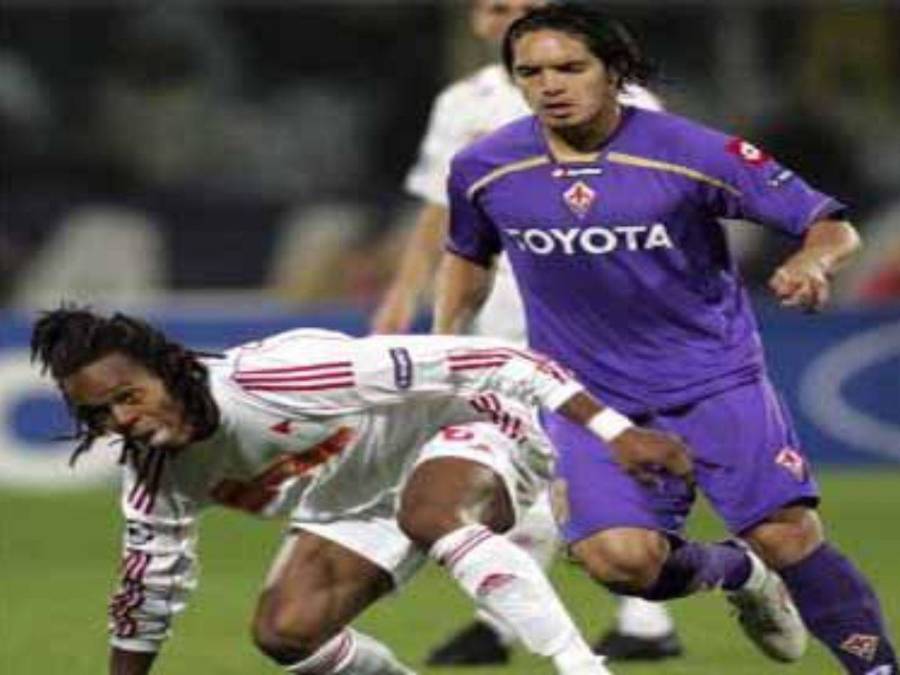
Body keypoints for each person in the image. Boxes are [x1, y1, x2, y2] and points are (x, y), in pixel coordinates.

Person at [434, 4, 898, 674]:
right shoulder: (485, 166)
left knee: (785, 535)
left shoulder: (691, 151)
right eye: (530, 72)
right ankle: (741, 573)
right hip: (587, 401)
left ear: (614, 70)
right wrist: (445, 348)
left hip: (713, 380)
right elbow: (467, 256)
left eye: (571, 67)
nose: (550, 85)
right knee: (620, 562)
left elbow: (829, 223)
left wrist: (811, 262)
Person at [33, 307, 704, 675]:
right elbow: (149, 587)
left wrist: (614, 431)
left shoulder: (281, 376)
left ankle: (581, 667)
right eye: (100, 414)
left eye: (128, 396)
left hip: (469, 423)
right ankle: (735, 571)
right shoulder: (157, 473)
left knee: (430, 513)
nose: (121, 420)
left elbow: (494, 360)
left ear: (170, 368)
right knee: (286, 632)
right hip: (360, 490)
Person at [371, 0, 681, 664]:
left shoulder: (626, 97)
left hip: (599, 306)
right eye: (498, 7)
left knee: (600, 447)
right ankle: (535, 621)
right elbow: (440, 207)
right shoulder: (463, 102)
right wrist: (405, 292)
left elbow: (669, 197)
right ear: (478, 21)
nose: (512, 17)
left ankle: (632, 615)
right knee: (519, 456)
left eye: (527, 6)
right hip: (499, 305)